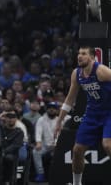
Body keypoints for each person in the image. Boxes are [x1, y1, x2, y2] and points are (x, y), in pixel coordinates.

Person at [54, 46, 111, 185]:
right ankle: (76, 183)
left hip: (109, 113)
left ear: (92, 57)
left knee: (107, 145)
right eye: (78, 53)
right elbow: (70, 98)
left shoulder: (102, 71)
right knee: (77, 150)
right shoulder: (77, 73)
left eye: (84, 54)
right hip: (92, 114)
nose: (79, 56)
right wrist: (59, 120)